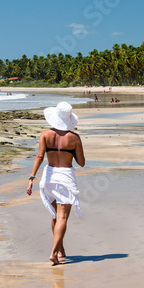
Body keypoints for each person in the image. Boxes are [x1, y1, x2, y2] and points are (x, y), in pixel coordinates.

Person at [26, 102, 85, 265]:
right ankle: (53, 252)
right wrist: (71, 150)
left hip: (49, 177)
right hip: (65, 177)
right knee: (62, 216)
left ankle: (61, 250)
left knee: (54, 215)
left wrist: (31, 178)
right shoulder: (74, 138)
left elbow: (39, 157)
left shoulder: (45, 134)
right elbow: (81, 163)